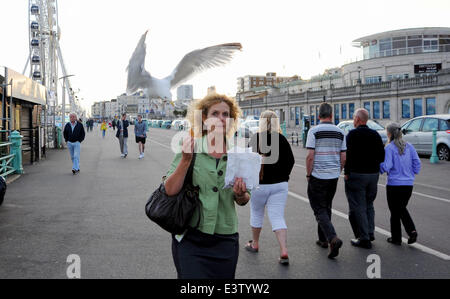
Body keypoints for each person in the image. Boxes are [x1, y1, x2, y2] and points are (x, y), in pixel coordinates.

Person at [164, 94, 250, 279]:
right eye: (215, 113)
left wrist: (241, 194)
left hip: (225, 239)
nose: (221, 119)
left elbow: (244, 200)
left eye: (226, 114)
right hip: (190, 237)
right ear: (204, 118)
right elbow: (170, 190)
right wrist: (185, 161)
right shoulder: (190, 147)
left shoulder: (238, 153)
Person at [246, 110, 295, 265]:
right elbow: (291, 161)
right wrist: (284, 176)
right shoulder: (281, 139)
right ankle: (283, 250)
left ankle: (255, 243)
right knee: (277, 216)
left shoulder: (256, 139)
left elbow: (248, 161)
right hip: (280, 185)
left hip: (259, 185)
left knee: (256, 213)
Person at [305, 103, 346, 259]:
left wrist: (309, 175)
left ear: (318, 115)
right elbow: (343, 157)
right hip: (333, 176)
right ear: (331, 115)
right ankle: (323, 240)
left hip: (318, 176)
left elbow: (310, 156)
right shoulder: (341, 132)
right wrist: (338, 171)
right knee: (327, 206)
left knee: (319, 209)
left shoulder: (314, 131)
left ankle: (332, 238)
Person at [344, 109, 385, 249]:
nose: (353, 120)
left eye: (354, 117)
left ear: (357, 119)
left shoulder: (352, 135)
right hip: (373, 175)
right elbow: (382, 156)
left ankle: (364, 237)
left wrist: (347, 172)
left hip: (356, 174)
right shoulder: (375, 135)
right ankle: (369, 231)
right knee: (369, 204)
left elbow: (347, 156)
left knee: (358, 206)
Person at [380, 122, 421, 246]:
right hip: (408, 184)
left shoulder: (389, 147)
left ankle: (398, 237)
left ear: (390, 133)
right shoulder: (410, 146)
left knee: (395, 211)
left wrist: (379, 166)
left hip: (394, 185)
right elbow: (417, 163)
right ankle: (410, 231)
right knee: (401, 209)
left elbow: (387, 166)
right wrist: (412, 173)